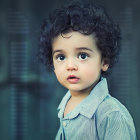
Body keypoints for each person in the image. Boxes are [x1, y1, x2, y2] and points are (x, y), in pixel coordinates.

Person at [39, 1, 137, 139]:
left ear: (104, 62)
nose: (70, 66)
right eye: (61, 57)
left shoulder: (112, 115)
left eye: (82, 55)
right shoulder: (65, 104)